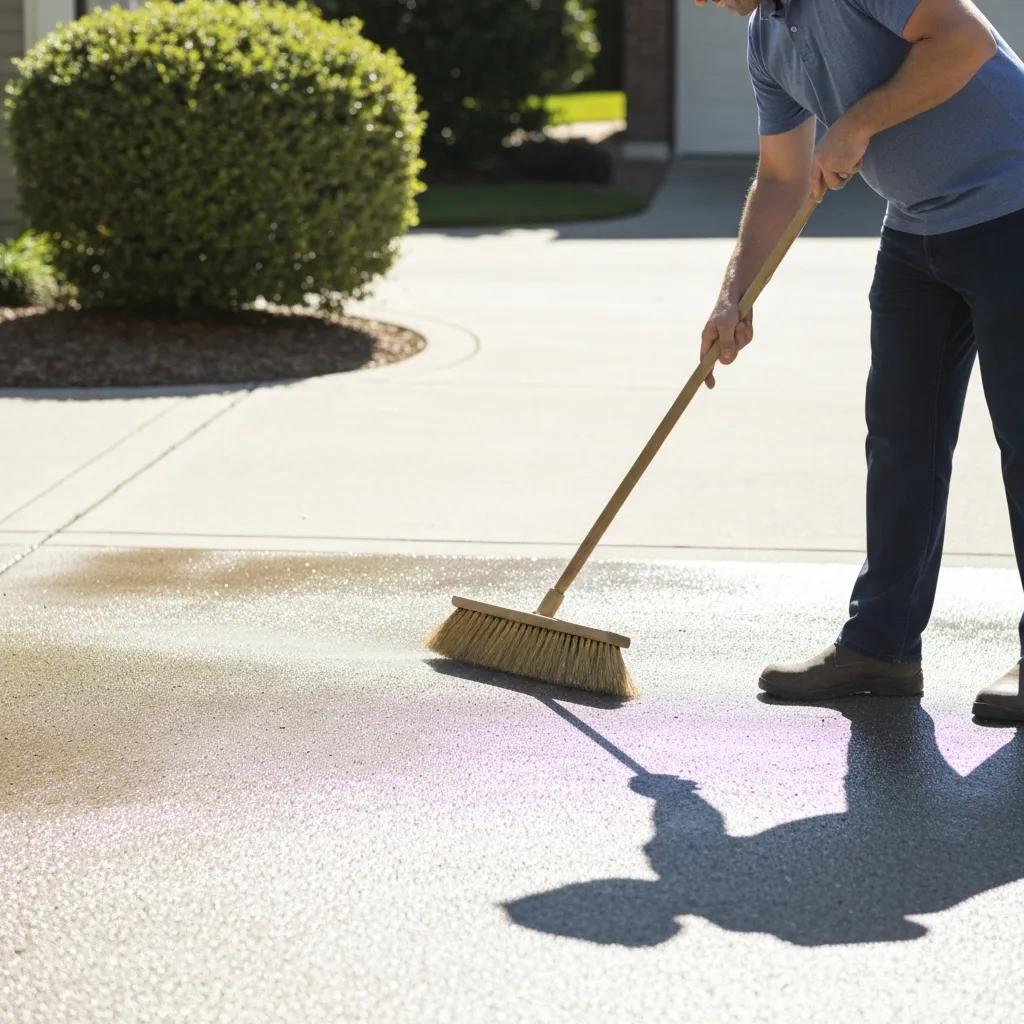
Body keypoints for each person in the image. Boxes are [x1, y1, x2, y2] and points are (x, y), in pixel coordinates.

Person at [696, 0, 1024, 720]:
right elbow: (781, 177)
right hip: (917, 231)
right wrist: (734, 298)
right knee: (901, 439)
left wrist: (859, 122)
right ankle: (881, 647)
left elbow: (964, 39)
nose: (697, 4)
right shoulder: (765, 40)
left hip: (1013, 208)